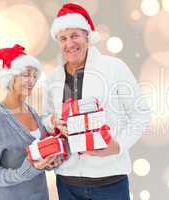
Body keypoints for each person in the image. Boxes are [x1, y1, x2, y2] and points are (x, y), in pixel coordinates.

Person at [42, 3, 151, 200]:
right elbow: (45, 119)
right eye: (63, 38)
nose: (69, 43)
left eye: (75, 36)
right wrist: (53, 122)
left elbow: (141, 113)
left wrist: (118, 146)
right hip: (67, 182)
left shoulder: (114, 68)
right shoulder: (53, 78)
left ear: (87, 37)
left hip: (110, 180)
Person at [0, 44, 61, 200]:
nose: (31, 81)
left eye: (35, 76)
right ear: (10, 77)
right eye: (26, 75)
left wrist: (50, 162)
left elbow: (39, 158)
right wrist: (25, 171)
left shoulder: (34, 113)